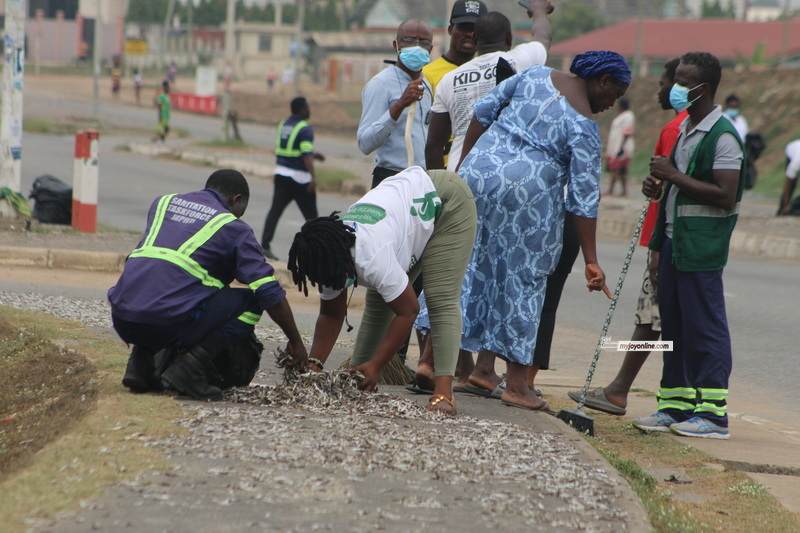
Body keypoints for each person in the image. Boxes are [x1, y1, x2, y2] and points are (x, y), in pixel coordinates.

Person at [454, 51, 628, 411]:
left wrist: (463, 168)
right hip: (526, 195)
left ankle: (469, 367)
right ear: (603, 81)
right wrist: (591, 260)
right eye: (616, 93)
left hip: (479, 174)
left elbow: (482, 113)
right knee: (523, 279)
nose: (612, 103)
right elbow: (583, 199)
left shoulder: (533, 75)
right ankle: (517, 385)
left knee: (471, 265)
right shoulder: (584, 126)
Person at [415, 3, 553, 392]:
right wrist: (540, 11)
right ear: (509, 39)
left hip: (460, 180)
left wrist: (439, 186)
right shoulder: (521, 58)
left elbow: (433, 144)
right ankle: (485, 368)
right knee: (500, 273)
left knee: (455, 271)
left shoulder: (451, 79)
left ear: (472, 39)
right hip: (507, 182)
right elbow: (543, 35)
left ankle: (431, 360)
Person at [287, 166, 477, 415]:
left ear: (343, 262)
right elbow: (331, 314)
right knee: (379, 301)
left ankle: (444, 393)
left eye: (333, 280)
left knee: (439, 297)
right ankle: (358, 376)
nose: (330, 285)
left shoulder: (371, 256)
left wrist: (377, 365)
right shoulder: (326, 258)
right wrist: (314, 366)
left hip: (447, 199)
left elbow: (409, 312)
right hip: (404, 211)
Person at [109, 169, 309, 401]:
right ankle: (190, 368)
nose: (238, 216)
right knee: (253, 301)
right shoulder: (233, 227)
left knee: (162, 287)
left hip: (123, 318)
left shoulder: (163, 204)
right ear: (236, 200)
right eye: (239, 211)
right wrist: (296, 342)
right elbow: (269, 292)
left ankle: (140, 364)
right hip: (167, 322)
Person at [633, 52, 745, 439]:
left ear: (705, 88)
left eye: (685, 82)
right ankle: (675, 406)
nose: (677, 88)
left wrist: (674, 176)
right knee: (675, 328)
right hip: (674, 243)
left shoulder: (723, 136)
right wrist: (658, 186)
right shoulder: (685, 130)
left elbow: (725, 194)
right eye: (676, 79)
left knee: (705, 328)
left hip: (701, 247)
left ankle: (713, 416)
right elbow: (676, 185)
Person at [569, 58, 687, 415]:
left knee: (650, 319)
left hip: (665, 240)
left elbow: (664, 193)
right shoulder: (694, 128)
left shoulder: (675, 129)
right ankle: (630, 387)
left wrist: (653, 246)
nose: (659, 89)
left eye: (663, 82)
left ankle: (620, 390)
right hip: (681, 241)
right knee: (663, 321)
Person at [357, 19, 434, 188]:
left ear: (431, 49)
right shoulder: (380, 84)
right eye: (409, 40)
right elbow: (365, 143)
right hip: (391, 179)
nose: (417, 46)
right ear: (396, 45)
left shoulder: (427, 85)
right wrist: (400, 105)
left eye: (424, 42)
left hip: (422, 181)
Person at [261, 97, 326, 261]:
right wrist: (313, 177)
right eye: (307, 107)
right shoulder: (305, 128)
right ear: (302, 110)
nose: (309, 110)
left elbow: (292, 149)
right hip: (300, 179)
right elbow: (305, 155)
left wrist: (313, 154)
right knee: (313, 218)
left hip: (281, 174)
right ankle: (319, 252)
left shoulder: (284, 125)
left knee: (275, 211)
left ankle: (264, 246)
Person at [422, 0, 488, 95]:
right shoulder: (428, 74)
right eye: (463, 28)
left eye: (475, 29)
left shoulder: (487, 74)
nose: (469, 34)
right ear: (450, 29)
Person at [605, 99, 635, 196]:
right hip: (616, 145)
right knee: (622, 170)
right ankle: (623, 191)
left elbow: (627, 132)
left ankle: (611, 190)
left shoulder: (628, 116)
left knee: (616, 168)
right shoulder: (622, 117)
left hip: (621, 147)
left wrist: (621, 147)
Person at [778, 139, 800, 216]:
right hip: (791, 150)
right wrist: (785, 205)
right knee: (792, 184)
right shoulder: (796, 162)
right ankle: (782, 208)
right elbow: (788, 184)